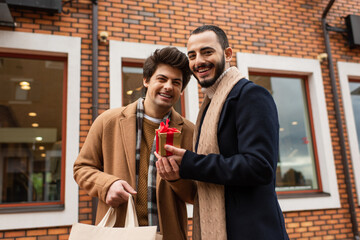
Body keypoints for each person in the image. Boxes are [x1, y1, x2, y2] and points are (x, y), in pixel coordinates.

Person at [155, 25, 289, 240]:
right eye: (192, 55)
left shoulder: (251, 96)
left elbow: (259, 167)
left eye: (207, 52)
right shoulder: (209, 104)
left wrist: (190, 162)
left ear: (227, 54)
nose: (198, 61)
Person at [73, 47, 196, 240]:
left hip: (168, 235)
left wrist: (176, 179)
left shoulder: (190, 132)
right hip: (118, 233)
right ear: (146, 80)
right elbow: (81, 168)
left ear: (181, 90)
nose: (168, 87)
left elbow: (195, 194)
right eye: (162, 79)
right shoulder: (108, 121)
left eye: (176, 82)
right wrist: (107, 185)